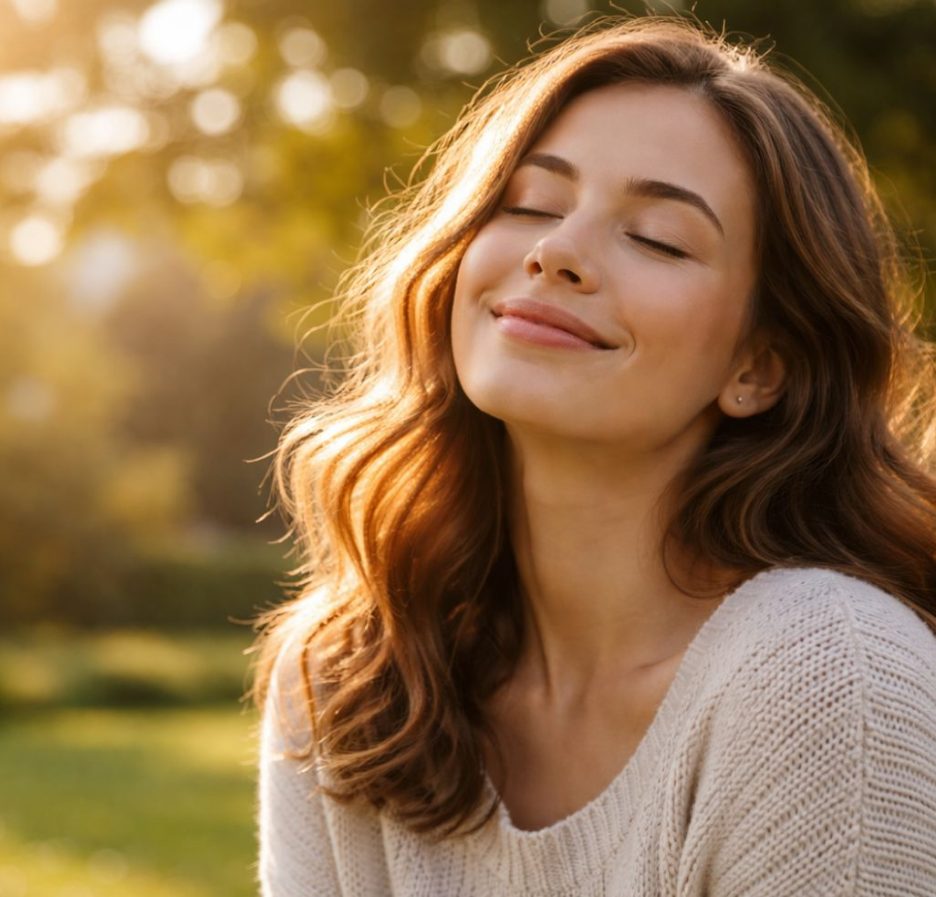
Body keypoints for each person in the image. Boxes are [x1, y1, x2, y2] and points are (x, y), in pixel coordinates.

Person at [252, 15, 936, 896]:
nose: (556, 252)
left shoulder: (826, 670)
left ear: (759, 367)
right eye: (529, 204)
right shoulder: (351, 673)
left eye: (656, 237)